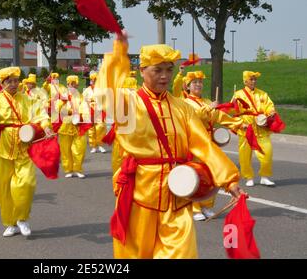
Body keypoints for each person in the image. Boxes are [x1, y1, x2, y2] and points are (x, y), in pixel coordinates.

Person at [96, 31, 245, 259]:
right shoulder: (128, 104)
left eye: (169, 70)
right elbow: (106, 93)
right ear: (142, 71)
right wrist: (118, 52)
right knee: (135, 255)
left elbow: (203, 144)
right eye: (157, 70)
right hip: (140, 195)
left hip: (178, 193)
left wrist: (229, 180)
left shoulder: (183, 108)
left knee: (182, 254)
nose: (164, 76)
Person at [0, 66, 52, 237]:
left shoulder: (26, 99)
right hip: (2, 147)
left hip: (23, 146)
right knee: (3, 187)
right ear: (2, 83)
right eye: (9, 81)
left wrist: (46, 126)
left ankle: (22, 219)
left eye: (15, 81)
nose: (13, 84)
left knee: (26, 183)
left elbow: (40, 114)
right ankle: (10, 222)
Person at [181, 71, 246, 221]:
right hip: (195, 143)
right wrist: (209, 108)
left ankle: (207, 205)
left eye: (200, 82)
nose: (198, 84)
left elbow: (219, 116)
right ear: (188, 86)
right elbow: (195, 116)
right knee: (197, 176)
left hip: (209, 143)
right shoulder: (185, 103)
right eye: (195, 82)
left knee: (212, 175)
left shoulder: (206, 100)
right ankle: (195, 207)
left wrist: (238, 124)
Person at [232, 71, 277, 187]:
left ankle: (264, 176)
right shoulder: (238, 95)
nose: (253, 81)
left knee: (267, 152)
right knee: (245, 156)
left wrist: (271, 112)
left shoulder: (262, 94)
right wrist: (241, 124)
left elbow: (269, 106)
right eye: (251, 79)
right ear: (245, 81)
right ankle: (248, 177)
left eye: (255, 79)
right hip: (246, 130)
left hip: (261, 129)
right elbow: (233, 113)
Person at [57, 75, 90, 179]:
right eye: (71, 84)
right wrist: (64, 105)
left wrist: (80, 116)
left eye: (75, 84)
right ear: (67, 85)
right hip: (65, 127)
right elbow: (56, 109)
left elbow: (85, 110)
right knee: (65, 149)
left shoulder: (81, 97)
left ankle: (78, 169)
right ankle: (68, 169)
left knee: (79, 148)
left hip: (78, 126)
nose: (73, 86)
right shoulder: (63, 97)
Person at [83, 72, 107, 154]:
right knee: (91, 130)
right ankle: (93, 146)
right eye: (92, 80)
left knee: (100, 128)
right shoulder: (86, 91)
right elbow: (83, 101)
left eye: (95, 80)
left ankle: (100, 145)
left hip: (99, 111)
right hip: (90, 112)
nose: (93, 82)